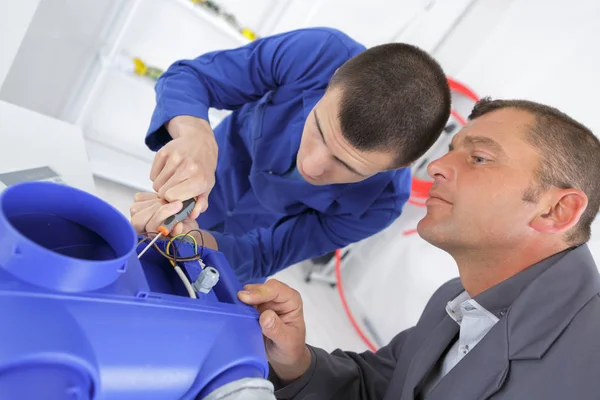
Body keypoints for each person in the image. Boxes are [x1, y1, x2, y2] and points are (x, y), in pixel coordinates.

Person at [238, 98, 600, 399]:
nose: (438, 166)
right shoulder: (458, 300)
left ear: (556, 210)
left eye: (479, 158)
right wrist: (296, 361)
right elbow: (382, 387)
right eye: (451, 150)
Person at [129, 27, 451, 284]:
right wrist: (197, 137)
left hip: (239, 247)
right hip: (222, 167)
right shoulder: (317, 53)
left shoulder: (381, 205)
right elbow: (192, 77)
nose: (310, 165)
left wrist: (192, 239)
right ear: (333, 79)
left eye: (346, 165)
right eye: (320, 129)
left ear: (400, 165)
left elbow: (265, 255)